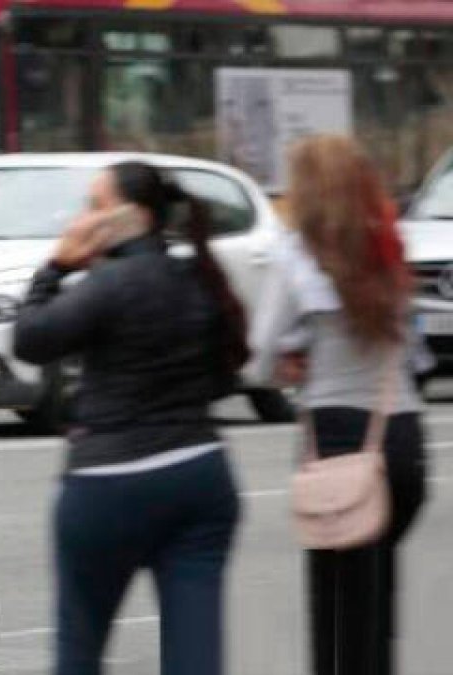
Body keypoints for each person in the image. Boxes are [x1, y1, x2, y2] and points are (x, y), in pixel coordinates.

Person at [13, 162, 247, 675]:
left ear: (131, 216)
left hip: (107, 484)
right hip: (199, 474)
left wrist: (54, 267)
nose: (83, 219)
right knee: (195, 657)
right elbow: (226, 375)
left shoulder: (108, 285)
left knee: (79, 652)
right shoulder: (198, 278)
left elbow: (30, 338)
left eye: (95, 207)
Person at [245, 135, 426, 675]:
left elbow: (257, 359)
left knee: (335, 608)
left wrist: (290, 362)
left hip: (340, 440)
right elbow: (413, 353)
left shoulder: (298, 254)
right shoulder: (389, 246)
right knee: (376, 599)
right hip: (404, 437)